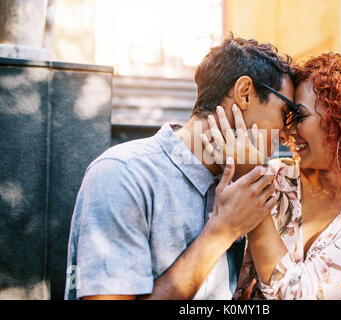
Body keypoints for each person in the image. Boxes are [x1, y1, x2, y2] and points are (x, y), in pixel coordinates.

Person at [64, 35, 298, 300]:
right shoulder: (122, 174)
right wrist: (222, 231)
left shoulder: (239, 182)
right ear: (245, 93)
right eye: (286, 112)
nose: (287, 131)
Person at [202, 51, 341, 299]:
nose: (287, 129)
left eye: (299, 116)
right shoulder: (278, 175)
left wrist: (253, 191)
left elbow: (298, 295)